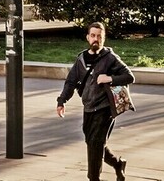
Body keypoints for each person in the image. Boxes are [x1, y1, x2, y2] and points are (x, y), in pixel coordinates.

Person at [53, 22, 132, 181]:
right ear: (88, 37)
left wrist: (109, 78)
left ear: (103, 38)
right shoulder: (81, 59)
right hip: (88, 108)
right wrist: (62, 101)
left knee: (95, 144)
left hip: (105, 110)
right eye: (93, 36)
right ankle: (117, 164)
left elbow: (129, 76)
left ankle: (93, 178)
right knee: (94, 144)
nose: (96, 39)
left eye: (99, 36)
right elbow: (71, 82)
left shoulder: (110, 58)